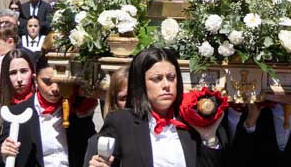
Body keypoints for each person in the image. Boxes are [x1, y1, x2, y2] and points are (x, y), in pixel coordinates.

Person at [85, 47, 225, 167]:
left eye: (171, 77)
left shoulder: (189, 120)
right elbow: (100, 159)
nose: (166, 85)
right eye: (157, 79)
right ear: (141, 83)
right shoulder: (121, 122)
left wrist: (209, 138)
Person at [0, 53, 96, 167]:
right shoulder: (17, 114)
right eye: (47, 82)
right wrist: (4, 154)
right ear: (35, 80)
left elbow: (91, 147)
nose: (55, 88)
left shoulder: (76, 110)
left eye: (59, 82)